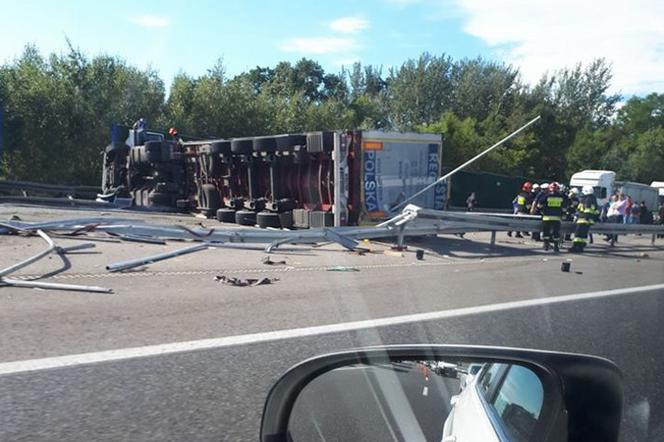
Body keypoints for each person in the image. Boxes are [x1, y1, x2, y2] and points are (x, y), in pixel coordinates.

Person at [536, 182, 566, 252]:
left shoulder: (546, 196)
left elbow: (539, 205)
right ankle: (556, 247)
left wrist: (541, 210)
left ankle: (546, 246)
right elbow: (564, 207)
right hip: (557, 218)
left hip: (547, 217)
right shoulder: (561, 196)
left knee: (546, 232)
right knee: (556, 233)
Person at [570, 185, 599, 253]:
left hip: (583, 219)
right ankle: (580, 247)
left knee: (578, 235)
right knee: (583, 235)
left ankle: (575, 247)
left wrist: (578, 216)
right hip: (588, 221)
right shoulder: (593, 199)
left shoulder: (586, 199)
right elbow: (596, 211)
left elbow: (585, 210)